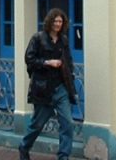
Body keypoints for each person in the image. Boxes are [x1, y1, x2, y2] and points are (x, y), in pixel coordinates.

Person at [18, 8, 77, 160]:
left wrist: (71, 82)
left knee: (67, 124)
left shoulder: (63, 40)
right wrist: (47, 62)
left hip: (60, 88)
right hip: (43, 89)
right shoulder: (38, 38)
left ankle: (63, 156)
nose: (58, 24)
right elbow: (29, 59)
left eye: (60, 21)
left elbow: (69, 63)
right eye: (55, 21)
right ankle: (24, 147)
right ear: (49, 22)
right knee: (37, 125)